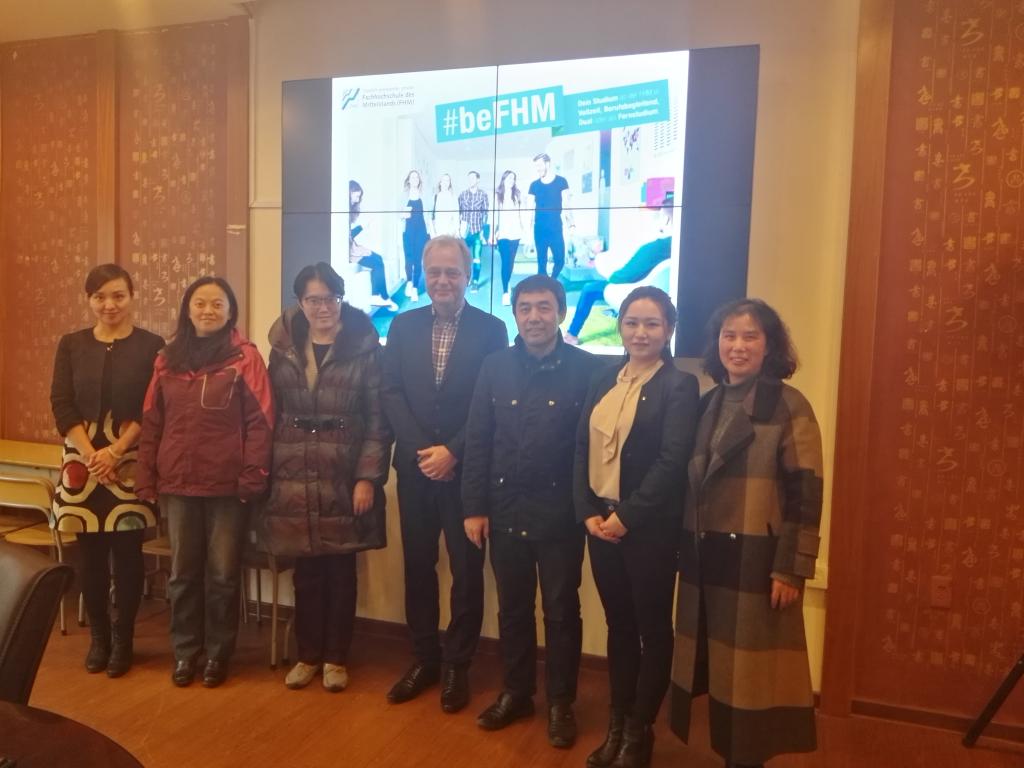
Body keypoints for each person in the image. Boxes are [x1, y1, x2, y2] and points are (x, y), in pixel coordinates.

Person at [668, 298, 823, 768]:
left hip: (757, 563)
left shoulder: (789, 405)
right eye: (729, 335)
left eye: (750, 336)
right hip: (705, 560)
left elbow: (806, 495)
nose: (738, 346)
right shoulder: (708, 403)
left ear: (769, 345)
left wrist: (791, 569)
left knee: (751, 680)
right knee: (720, 671)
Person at [462, 274, 603, 748]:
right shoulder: (494, 366)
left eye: (544, 307)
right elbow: (479, 440)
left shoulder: (589, 370)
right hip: (505, 510)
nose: (534, 317)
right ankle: (516, 693)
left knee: (562, 611)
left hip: (562, 515)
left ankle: (561, 702)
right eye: (525, 308)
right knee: (513, 609)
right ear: (515, 314)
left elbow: (595, 450)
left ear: (560, 312)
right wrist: (474, 507)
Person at [381, 235, 508, 713]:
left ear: (468, 276)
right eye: (434, 271)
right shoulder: (402, 325)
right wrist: (423, 452)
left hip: (466, 473)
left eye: (452, 272)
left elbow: (490, 400)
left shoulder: (492, 329)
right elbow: (390, 392)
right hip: (415, 470)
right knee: (417, 566)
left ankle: (458, 664)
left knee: (466, 572)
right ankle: (424, 659)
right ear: (423, 273)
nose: (442, 280)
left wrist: (453, 451)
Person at [574, 287, 699, 768]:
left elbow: (672, 462)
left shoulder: (679, 385)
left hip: (647, 530)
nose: (640, 332)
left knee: (652, 628)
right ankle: (617, 720)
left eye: (651, 323)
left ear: (668, 330)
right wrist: (586, 510)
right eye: (631, 322)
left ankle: (639, 729)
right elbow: (580, 448)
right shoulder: (602, 377)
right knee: (619, 625)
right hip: (600, 525)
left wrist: (626, 517)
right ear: (620, 326)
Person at [259, 262, 392, 693]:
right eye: (313, 299)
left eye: (331, 298)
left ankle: (336, 658)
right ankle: (307, 656)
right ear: (300, 303)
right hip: (293, 472)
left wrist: (367, 478)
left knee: (340, 570)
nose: (323, 308)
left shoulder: (366, 348)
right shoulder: (282, 348)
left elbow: (378, 421)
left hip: (343, 473)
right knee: (306, 573)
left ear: (341, 299)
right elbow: (271, 413)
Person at [136, 276, 274, 689]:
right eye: (200, 303)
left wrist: (253, 477)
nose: (208, 310)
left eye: (217, 303)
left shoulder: (245, 358)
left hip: (228, 487)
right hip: (177, 484)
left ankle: (217, 654)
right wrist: (146, 476)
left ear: (230, 311)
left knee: (223, 575)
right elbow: (152, 421)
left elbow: (261, 422)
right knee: (181, 575)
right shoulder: (166, 359)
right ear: (187, 309)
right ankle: (185, 652)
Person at [49, 263, 165, 678]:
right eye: (99, 297)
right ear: (89, 300)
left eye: (118, 295)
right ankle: (99, 638)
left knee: (128, 554)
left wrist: (114, 452)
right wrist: (92, 455)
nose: (109, 304)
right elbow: (61, 403)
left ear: (132, 296)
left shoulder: (152, 345)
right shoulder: (71, 344)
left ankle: (124, 639)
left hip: (128, 459)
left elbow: (153, 406)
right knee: (91, 557)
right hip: (82, 463)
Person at [565, 199, 675, 346]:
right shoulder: (679, 245)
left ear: (666, 219)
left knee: (589, 289)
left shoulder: (657, 247)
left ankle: (571, 334)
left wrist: (611, 276)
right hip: (658, 292)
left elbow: (623, 277)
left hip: (631, 290)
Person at [349, 179, 399, 311]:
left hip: (351, 247)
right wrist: (362, 226)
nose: (357, 200)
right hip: (348, 251)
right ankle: (379, 296)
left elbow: (348, 235)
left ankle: (382, 297)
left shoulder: (348, 209)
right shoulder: (343, 209)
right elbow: (347, 235)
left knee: (378, 258)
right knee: (377, 262)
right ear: (350, 193)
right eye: (356, 196)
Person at [528, 153, 572, 279]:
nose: (538, 169)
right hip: (539, 229)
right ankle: (544, 285)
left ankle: (552, 281)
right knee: (541, 264)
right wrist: (528, 232)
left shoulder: (561, 182)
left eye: (540, 165)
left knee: (560, 261)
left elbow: (567, 205)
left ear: (548, 164)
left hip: (556, 228)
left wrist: (571, 224)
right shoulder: (534, 185)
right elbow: (530, 210)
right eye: (536, 166)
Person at [493, 169, 524, 307]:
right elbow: (494, 215)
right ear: (504, 179)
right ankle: (505, 292)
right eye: (509, 178)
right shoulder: (498, 195)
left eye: (513, 178)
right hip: (503, 234)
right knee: (505, 261)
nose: (511, 181)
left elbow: (521, 213)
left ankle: (507, 282)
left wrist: (524, 230)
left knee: (510, 262)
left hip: (515, 233)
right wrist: (492, 233)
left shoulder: (517, 194)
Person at [401, 170, 429, 302]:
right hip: (408, 231)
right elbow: (398, 214)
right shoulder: (403, 196)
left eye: (417, 177)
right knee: (409, 259)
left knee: (418, 260)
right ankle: (409, 281)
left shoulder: (424, 195)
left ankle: (415, 288)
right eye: (412, 177)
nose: (415, 179)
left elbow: (427, 215)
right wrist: (403, 214)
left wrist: (430, 232)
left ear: (419, 180)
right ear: (408, 180)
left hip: (421, 232)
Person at [457, 171, 489, 291]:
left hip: (477, 231)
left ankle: (475, 281)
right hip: (464, 233)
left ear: (478, 180)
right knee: (463, 259)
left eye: (473, 178)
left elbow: (485, 214)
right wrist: (458, 229)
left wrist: (483, 232)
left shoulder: (483, 195)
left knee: (476, 258)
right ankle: (467, 278)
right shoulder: (462, 195)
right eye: (469, 178)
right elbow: (458, 213)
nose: (471, 180)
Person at [431, 173, 460, 238]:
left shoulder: (453, 197)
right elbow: (431, 217)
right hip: (438, 232)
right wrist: (433, 233)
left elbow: (456, 215)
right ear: (440, 182)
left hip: (450, 233)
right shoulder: (435, 197)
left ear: (450, 183)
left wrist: (456, 231)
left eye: (448, 180)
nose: (445, 182)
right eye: (444, 180)